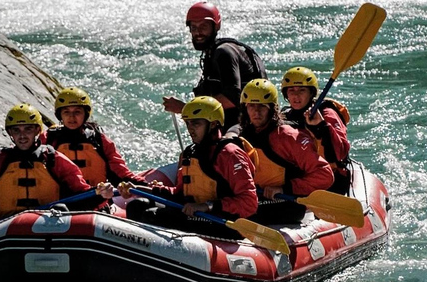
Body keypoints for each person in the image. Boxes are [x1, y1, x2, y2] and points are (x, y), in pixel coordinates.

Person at [119, 96, 258, 239]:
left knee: (152, 216)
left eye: (196, 124)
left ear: (213, 124)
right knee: (136, 205)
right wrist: (141, 190)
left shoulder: (230, 154)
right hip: (195, 216)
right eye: (188, 124)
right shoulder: (190, 153)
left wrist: (208, 206)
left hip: (221, 222)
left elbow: (249, 203)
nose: (190, 129)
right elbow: (179, 194)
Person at [0, 103, 115, 227]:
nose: (22, 136)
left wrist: (100, 194)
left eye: (28, 129)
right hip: (6, 227)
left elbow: (81, 195)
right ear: (10, 132)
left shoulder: (53, 159)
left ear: (37, 130)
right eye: (16, 130)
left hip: (49, 224)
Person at [239, 79, 334, 224]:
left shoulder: (289, 137)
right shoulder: (243, 137)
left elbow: (325, 175)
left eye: (262, 107)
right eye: (251, 106)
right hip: (255, 202)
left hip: (285, 205)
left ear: (272, 109)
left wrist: (285, 189)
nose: (256, 112)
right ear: (245, 109)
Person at [162, 2, 267, 131]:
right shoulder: (213, 53)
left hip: (245, 127)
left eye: (203, 26)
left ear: (215, 27)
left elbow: (233, 97)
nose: (198, 32)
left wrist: (186, 108)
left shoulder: (224, 52)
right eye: (194, 28)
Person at [44, 86, 149, 188]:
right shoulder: (49, 138)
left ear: (85, 114)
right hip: (60, 201)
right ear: (60, 115)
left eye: (77, 112)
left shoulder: (99, 139)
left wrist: (145, 184)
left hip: (96, 199)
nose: (72, 117)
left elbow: (120, 170)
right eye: (66, 112)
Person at [280, 67, 352, 194]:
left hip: (332, 179)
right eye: (291, 90)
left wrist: (321, 126)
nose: (296, 95)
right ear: (286, 94)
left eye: (302, 90)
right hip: (300, 177)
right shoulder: (284, 115)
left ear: (311, 93)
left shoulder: (327, 113)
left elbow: (340, 152)